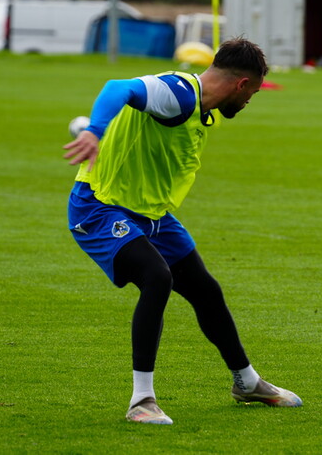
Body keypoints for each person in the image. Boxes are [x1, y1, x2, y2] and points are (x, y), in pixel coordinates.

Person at [63, 37, 302, 425]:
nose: (248, 102)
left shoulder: (202, 109)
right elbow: (117, 88)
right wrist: (93, 130)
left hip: (152, 214)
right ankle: (142, 401)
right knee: (157, 278)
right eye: (253, 94)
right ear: (241, 84)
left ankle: (247, 382)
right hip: (101, 207)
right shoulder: (176, 94)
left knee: (205, 291)